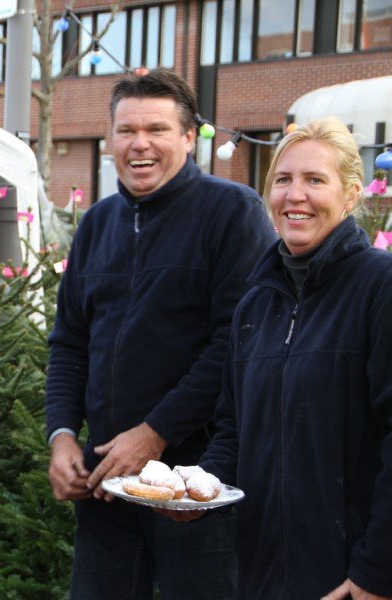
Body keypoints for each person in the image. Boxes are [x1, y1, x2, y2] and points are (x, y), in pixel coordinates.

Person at [45, 68, 276, 598]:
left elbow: (236, 342)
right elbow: (69, 342)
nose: (139, 144)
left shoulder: (232, 213)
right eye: (126, 130)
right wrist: (60, 436)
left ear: (190, 137)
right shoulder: (97, 224)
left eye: (157, 129)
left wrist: (155, 433)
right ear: (109, 138)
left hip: (196, 485)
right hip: (105, 482)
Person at [188, 118, 392, 598]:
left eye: (315, 180)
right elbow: (234, 429)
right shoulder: (255, 305)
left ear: (352, 195)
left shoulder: (379, 288)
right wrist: (200, 490)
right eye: (283, 180)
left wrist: (376, 572)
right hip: (262, 573)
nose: (294, 195)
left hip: (350, 576)